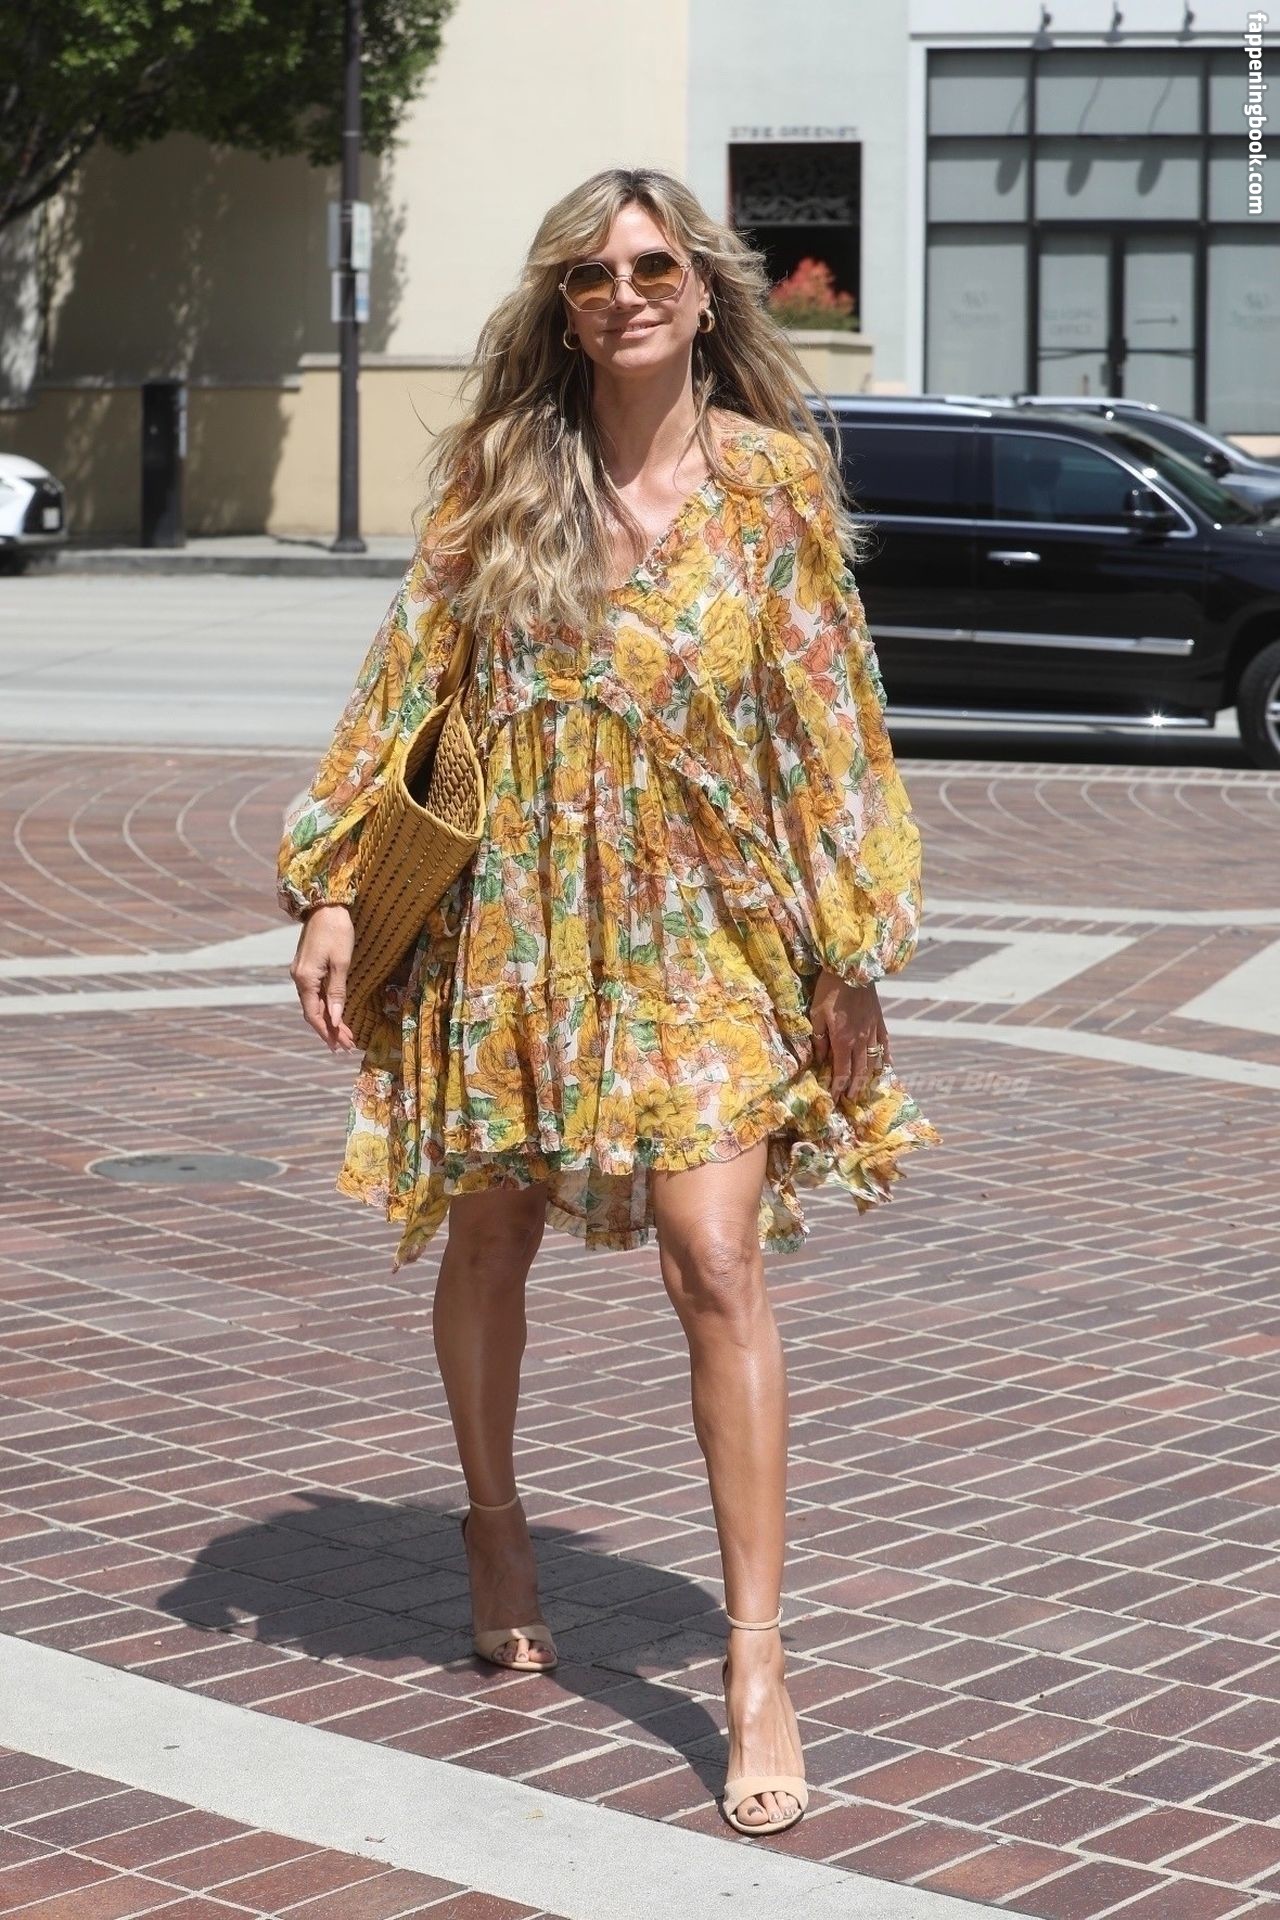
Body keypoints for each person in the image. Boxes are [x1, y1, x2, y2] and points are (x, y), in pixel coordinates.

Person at [277, 166, 941, 1837]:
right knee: (490, 1234)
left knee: (714, 1255)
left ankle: (756, 1661)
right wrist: (338, 888)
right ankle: (495, 1524)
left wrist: (849, 953)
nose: (624, 291)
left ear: (705, 292)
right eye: (591, 273)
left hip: (708, 920)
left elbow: (832, 726)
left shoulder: (774, 486)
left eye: (652, 265)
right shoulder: (502, 475)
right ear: (564, 307)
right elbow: (404, 688)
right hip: (515, 914)